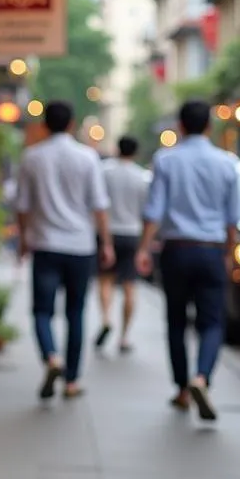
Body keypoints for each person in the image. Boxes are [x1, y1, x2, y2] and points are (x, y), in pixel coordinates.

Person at [135, 100, 240, 420]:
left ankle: (182, 388)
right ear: (209, 126)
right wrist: (230, 254)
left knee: (177, 322)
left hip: (177, 250)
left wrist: (143, 248)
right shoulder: (227, 163)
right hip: (210, 249)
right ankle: (202, 377)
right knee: (212, 322)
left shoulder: (166, 160)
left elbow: (155, 210)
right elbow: (232, 218)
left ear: (179, 126)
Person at [16, 100, 114, 400]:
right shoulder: (88, 157)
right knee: (76, 312)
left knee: (42, 311)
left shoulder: (32, 157)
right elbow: (99, 206)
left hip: (45, 244)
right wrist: (106, 243)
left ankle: (51, 357)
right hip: (79, 247)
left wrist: (23, 239)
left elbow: (22, 206)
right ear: (72, 124)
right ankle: (71, 381)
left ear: (45, 124)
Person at [95, 135, 149, 354]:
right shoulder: (141, 177)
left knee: (105, 280)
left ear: (117, 149)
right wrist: (145, 245)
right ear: (135, 152)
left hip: (109, 232)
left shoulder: (105, 171)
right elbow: (147, 213)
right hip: (132, 233)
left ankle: (107, 318)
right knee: (129, 286)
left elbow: (98, 205)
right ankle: (124, 337)